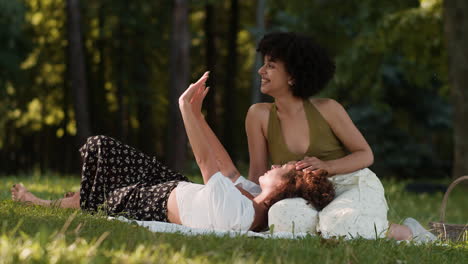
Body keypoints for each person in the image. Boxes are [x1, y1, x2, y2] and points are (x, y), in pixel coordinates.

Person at [10, 72, 335, 232]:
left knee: (101, 188)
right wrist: (198, 115)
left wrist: (184, 107)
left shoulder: (241, 214)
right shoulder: (254, 200)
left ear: (283, 188)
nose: (274, 165)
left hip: (150, 202)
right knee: (103, 148)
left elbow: (207, 162)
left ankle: (40, 202)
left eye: (282, 168)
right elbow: (228, 169)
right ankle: (72, 195)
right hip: (173, 184)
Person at [245, 32, 436, 242]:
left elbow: (365, 155)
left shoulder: (328, 109)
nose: (261, 70)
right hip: (305, 194)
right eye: (264, 64)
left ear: (292, 76)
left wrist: (328, 166)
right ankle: (326, 228)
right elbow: (257, 173)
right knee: (282, 216)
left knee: (337, 223)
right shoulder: (258, 115)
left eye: (271, 66)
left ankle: (408, 232)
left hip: (350, 184)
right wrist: (253, 215)